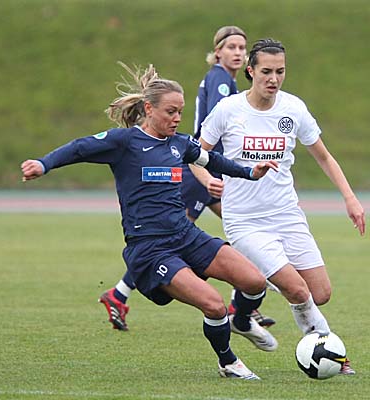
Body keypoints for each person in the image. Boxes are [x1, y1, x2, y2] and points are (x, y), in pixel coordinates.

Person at [20, 64, 279, 379]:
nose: (177, 118)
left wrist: (250, 172)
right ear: (148, 109)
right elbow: (79, 148)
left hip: (186, 235)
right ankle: (228, 362)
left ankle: (241, 320)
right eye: (170, 111)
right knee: (214, 305)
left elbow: (211, 159)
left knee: (254, 281)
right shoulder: (124, 142)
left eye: (180, 111)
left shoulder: (179, 144)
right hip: (150, 248)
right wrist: (44, 164)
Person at [191, 38, 366, 375]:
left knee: (320, 292)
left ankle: (252, 289)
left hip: (287, 215)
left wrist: (350, 198)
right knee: (296, 289)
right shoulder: (229, 110)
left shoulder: (293, 108)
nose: (274, 79)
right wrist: (206, 179)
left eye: (280, 71)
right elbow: (196, 153)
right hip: (244, 221)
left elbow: (324, 157)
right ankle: (332, 354)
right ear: (251, 71)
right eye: (267, 72)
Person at [99, 26, 275, 331]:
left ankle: (244, 296)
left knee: (238, 225)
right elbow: (219, 124)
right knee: (175, 238)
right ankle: (120, 293)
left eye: (241, 48)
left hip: (205, 166)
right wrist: (212, 172)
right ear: (217, 52)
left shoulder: (226, 80)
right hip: (198, 168)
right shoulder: (220, 79)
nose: (237, 53)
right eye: (231, 47)